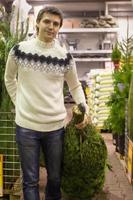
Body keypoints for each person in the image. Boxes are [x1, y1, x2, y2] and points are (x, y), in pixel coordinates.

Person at [4, 6, 89, 200]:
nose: (51, 27)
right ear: (38, 23)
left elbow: (75, 86)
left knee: (55, 178)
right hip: (26, 126)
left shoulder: (64, 56)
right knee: (30, 181)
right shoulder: (19, 50)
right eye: (47, 22)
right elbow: (9, 79)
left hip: (55, 128)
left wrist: (84, 107)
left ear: (59, 28)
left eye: (56, 24)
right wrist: (20, 102)